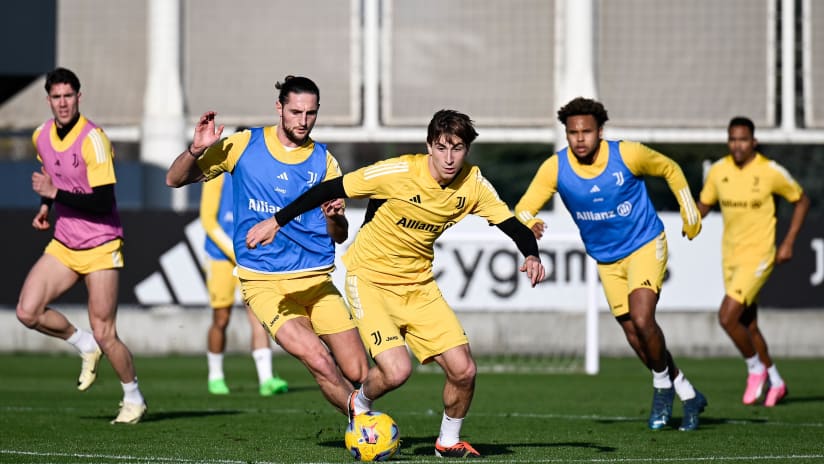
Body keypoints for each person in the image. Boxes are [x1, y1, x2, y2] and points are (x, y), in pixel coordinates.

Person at [245, 109, 547, 458]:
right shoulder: (398, 171)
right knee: (397, 370)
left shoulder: (473, 185)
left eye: (458, 148)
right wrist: (276, 222)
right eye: (441, 147)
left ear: (467, 149)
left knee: (464, 370)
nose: (449, 158)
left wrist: (531, 254)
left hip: (419, 285)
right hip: (370, 280)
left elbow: (512, 225)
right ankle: (359, 403)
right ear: (429, 146)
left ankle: (448, 442)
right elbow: (328, 188)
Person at [166, 75, 368, 417]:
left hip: (317, 282)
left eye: (311, 113)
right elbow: (174, 179)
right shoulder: (243, 145)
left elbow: (338, 234)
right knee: (318, 359)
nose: (303, 121)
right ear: (279, 108)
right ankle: (365, 424)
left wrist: (335, 217)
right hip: (264, 283)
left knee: (360, 372)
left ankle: (363, 419)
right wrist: (196, 149)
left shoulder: (324, 162)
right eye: (295, 112)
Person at [514, 97, 706, 431]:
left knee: (643, 318)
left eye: (586, 131)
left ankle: (662, 390)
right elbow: (523, 209)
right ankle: (688, 393)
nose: (580, 138)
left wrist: (689, 209)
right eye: (573, 132)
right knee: (634, 335)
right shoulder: (556, 168)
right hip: (606, 259)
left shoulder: (627, 154)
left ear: (599, 131)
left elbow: (669, 168)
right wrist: (529, 222)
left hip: (645, 244)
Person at [16, 67, 147, 424]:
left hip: (101, 244)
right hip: (65, 242)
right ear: (48, 100)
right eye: (56, 97)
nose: (62, 103)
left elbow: (103, 201)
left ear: (79, 97)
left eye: (68, 96)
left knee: (106, 331)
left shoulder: (93, 140)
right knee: (27, 312)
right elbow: (51, 178)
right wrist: (46, 208)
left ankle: (133, 397)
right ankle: (82, 344)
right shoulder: (41, 135)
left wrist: (53, 195)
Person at [696, 116, 809, 407]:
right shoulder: (719, 171)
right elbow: (704, 206)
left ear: (754, 142)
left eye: (743, 139)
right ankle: (777, 382)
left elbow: (801, 200)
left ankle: (755, 368)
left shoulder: (770, 171)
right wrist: (689, 217)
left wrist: (787, 242)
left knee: (726, 317)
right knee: (749, 325)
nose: (738, 145)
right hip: (730, 256)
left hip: (759, 255)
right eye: (733, 139)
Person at [200, 162, 289, 396]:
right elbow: (208, 220)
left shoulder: (259, 175)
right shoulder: (217, 177)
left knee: (258, 316)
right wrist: (233, 250)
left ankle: (266, 379)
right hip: (221, 256)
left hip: (250, 255)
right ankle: (216, 376)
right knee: (221, 317)